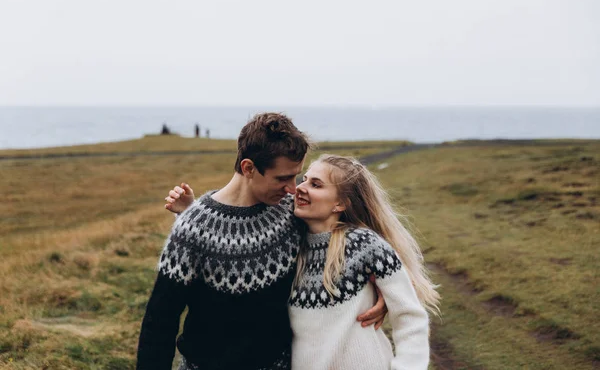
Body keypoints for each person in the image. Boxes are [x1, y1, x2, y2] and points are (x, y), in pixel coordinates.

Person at [137, 113, 386, 370]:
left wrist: (386, 290)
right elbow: (160, 322)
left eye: (296, 176)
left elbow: (363, 243)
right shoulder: (192, 230)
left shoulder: (294, 213)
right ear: (248, 168)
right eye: (282, 178)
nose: (293, 188)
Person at [164, 154, 439, 369]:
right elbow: (234, 249)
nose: (299, 189)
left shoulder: (365, 246)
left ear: (340, 204)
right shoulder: (291, 241)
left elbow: (411, 318)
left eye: (315, 185)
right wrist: (190, 213)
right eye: (304, 179)